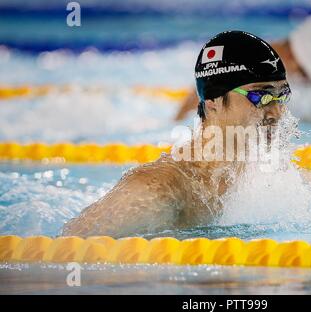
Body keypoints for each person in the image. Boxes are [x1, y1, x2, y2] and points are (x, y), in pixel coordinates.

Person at [62, 30, 292, 238]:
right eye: (261, 96)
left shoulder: (253, 171)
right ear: (212, 101)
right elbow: (66, 253)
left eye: (282, 95)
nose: (276, 112)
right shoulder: (156, 191)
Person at [174, 12, 311, 121]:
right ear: (296, 63)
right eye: (307, 78)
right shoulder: (246, 64)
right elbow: (201, 96)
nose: (308, 84)